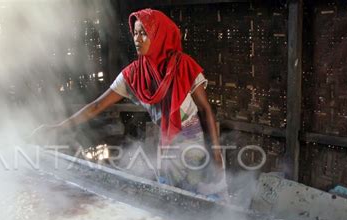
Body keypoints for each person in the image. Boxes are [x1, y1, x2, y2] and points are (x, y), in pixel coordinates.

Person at [37, 8, 227, 198]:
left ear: (159, 35)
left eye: (144, 33)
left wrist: (216, 154)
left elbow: (205, 110)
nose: (137, 38)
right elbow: (96, 106)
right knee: (174, 201)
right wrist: (59, 127)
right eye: (135, 33)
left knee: (205, 202)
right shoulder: (133, 75)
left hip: (196, 141)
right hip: (168, 144)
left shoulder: (184, 66)